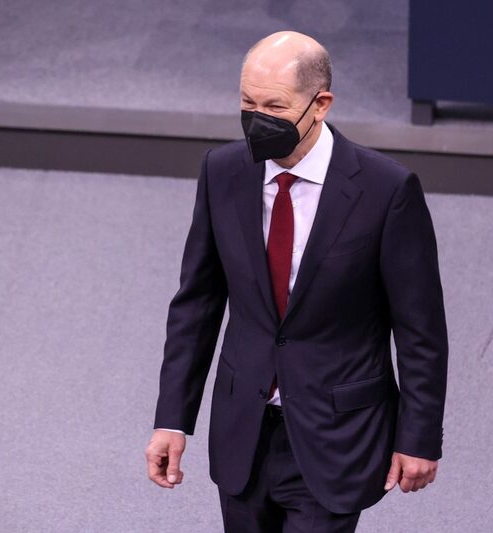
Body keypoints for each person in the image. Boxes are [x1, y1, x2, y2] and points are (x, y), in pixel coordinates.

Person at [145, 30, 449, 532]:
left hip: (337, 437)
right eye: (247, 102)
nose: (256, 118)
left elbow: (420, 330)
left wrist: (418, 436)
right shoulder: (222, 172)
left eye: (274, 105)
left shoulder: (386, 190)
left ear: (320, 104)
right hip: (243, 432)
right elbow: (196, 306)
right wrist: (172, 418)